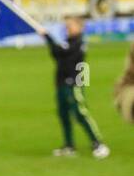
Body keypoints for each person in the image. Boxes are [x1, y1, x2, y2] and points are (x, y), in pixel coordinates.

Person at [40, 17, 109, 158]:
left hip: (75, 82)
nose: (68, 28)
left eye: (70, 26)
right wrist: (49, 40)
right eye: (67, 26)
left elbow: (63, 53)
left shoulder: (79, 42)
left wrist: (47, 37)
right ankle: (69, 146)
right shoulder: (68, 42)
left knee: (80, 113)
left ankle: (98, 143)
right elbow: (57, 54)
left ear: (80, 27)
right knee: (63, 114)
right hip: (62, 82)